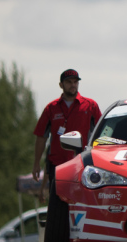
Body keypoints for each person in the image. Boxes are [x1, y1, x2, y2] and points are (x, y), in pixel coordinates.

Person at [32, 70, 102, 232]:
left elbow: (101, 133)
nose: (73, 85)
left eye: (75, 82)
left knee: (83, 202)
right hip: (57, 165)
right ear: (61, 85)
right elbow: (41, 137)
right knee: (57, 206)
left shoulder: (89, 105)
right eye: (69, 82)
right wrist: (36, 163)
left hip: (81, 164)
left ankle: (85, 236)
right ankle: (59, 240)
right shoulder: (51, 108)